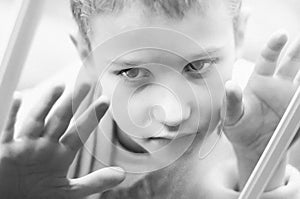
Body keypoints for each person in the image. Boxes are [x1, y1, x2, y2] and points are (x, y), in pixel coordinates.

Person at [1, 0, 300, 198]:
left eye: (197, 67)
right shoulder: (28, 148)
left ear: (240, 34)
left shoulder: (272, 113)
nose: (172, 114)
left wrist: (261, 159)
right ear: (86, 53)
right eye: (132, 73)